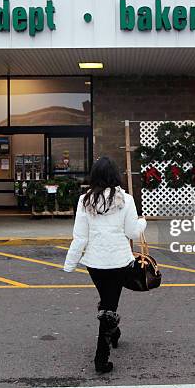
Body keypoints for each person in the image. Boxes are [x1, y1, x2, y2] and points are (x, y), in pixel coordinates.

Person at [63, 157, 146, 374]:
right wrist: (142, 223)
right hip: (119, 261)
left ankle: (114, 332)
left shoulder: (84, 201)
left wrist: (70, 264)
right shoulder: (126, 200)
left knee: (108, 301)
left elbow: (80, 237)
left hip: (94, 263)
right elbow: (132, 233)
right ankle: (101, 359)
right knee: (110, 305)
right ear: (115, 176)